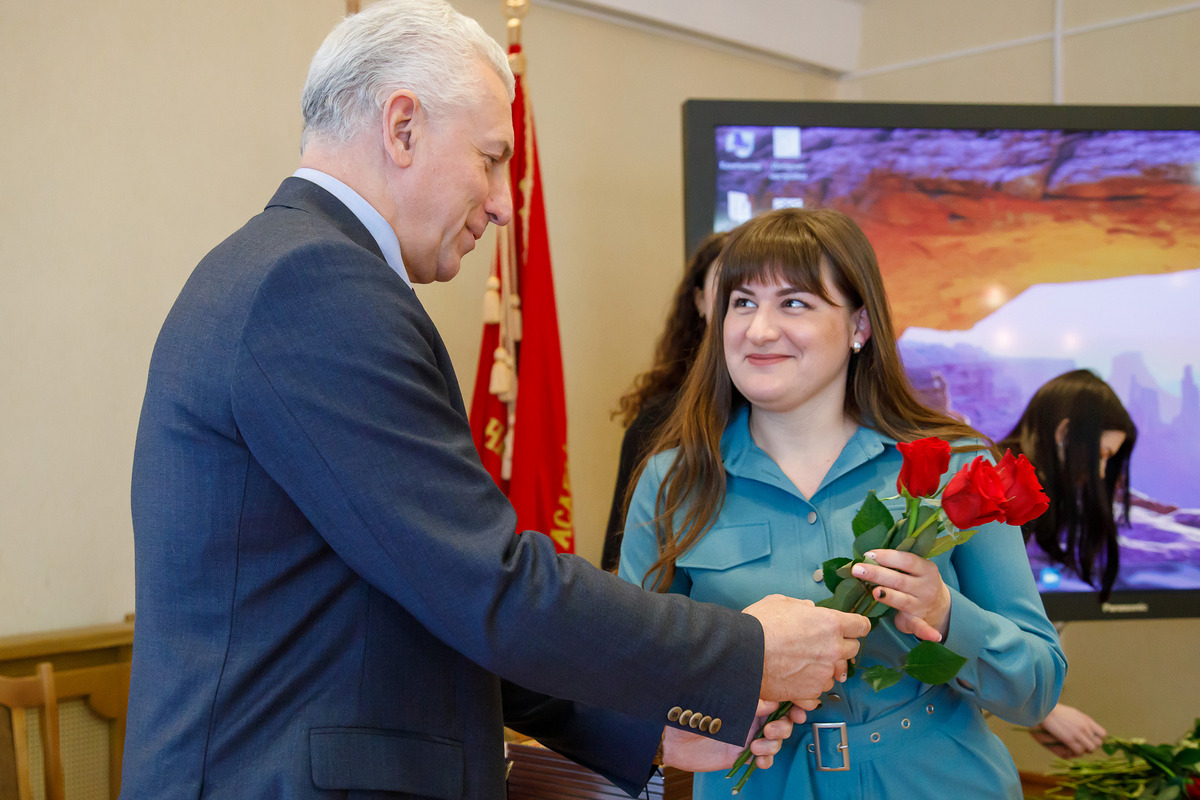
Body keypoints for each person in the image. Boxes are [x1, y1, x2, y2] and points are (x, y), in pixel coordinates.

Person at [122, 3, 873, 799]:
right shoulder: (314, 284)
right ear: (403, 128)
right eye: (489, 160)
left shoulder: (288, 269)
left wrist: (643, 728)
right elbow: (487, 582)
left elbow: (425, 590)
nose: (503, 203)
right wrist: (746, 651)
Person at [619, 207, 1066, 799]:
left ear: (860, 325)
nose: (759, 330)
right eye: (743, 303)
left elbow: (1036, 689)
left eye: (794, 303)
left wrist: (944, 613)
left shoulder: (956, 465)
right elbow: (627, 679)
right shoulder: (671, 481)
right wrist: (733, 673)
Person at [998, 369, 1138, 758]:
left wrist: (1036, 706)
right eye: (1102, 456)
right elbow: (966, 616)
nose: (1102, 473)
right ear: (1063, 433)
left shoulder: (1034, 491)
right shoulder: (1004, 491)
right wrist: (1041, 708)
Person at [602, 231, 728, 571]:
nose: (758, 324)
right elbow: (619, 567)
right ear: (699, 300)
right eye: (734, 295)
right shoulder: (658, 424)